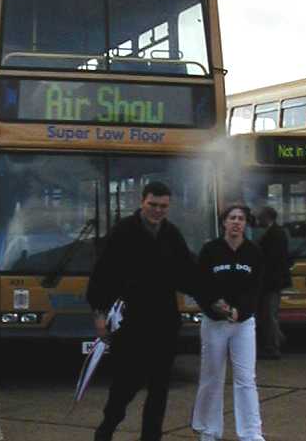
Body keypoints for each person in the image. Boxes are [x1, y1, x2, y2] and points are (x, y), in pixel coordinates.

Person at [87, 181, 201, 441]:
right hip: (132, 324)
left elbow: (188, 273)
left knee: (159, 390)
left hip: (164, 323)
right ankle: (106, 430)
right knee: (124, 387)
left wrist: (214, 298)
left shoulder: (172, 235)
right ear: (142, 202)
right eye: (153, 205)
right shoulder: (123, 232)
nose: (158, 210)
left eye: (163, 206)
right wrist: (99, 314)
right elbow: (103, 275)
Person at [192, 203, 266, 441]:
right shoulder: (210, 250)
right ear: (224, 222)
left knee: (246, 378)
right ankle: (209, 429)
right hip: (215, 323)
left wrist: (240, 312)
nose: (236, 222)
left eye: (241, 219)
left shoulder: (253, 252)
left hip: (243, 324)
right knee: (212, 376)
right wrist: (216, 306)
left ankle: (251, 432)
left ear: (246, 224)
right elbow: (200, 285)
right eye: (232, 218)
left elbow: (256, 288)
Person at [256, 206, 291, 360]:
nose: (258, 220)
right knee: (268, 315)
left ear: (267, 217)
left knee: (269, 315)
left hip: (271, 283)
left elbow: (272, 260)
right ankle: (276, 340)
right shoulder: (275, 232)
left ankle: (273, 346)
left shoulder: (275, 234)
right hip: (271, 282)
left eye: (260, 217)